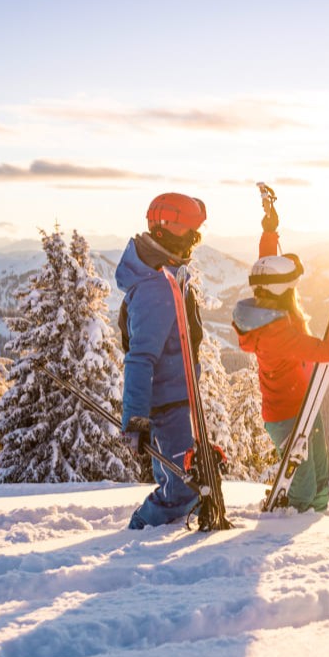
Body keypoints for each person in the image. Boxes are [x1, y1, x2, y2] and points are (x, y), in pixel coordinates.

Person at [231, 196, 329, 512]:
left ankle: (317, 517)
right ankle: (292, 527)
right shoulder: (277, 333)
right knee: (304, 485)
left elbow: (267, 268)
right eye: (291, 285)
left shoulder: (267, 309)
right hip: (289, 416)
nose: (294, 289)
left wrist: (270, 232)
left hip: (303, 405)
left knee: (320, 477)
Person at [117, 192, 208, 529]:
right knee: (179, 492)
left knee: (187, 481)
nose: (195, 241)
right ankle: (141, 532)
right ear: (166, 231)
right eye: (190, 233)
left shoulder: (167, 274)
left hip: (178, 399)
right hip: (167, 406)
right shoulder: (156, 287)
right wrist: (136, 417)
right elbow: (139, 358)